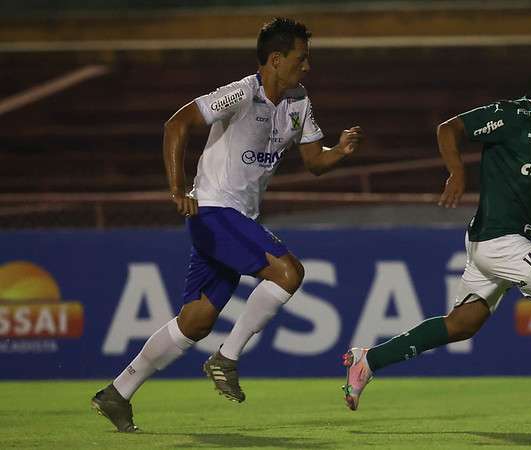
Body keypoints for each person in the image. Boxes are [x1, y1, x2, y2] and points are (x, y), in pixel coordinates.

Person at [342, 51, 531, 422]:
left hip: (498, 241)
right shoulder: (509, 116)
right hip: (499, 239)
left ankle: (368, 360)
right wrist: (457, 173)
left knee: (461, 324)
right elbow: (448, 129)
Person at [91, 17, 363, 432]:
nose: (307, 66)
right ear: (276, 59)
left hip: (238, 221)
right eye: (301, 58)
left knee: (196, 320)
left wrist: (339, 150)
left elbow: (313, 163)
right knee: (290, 272)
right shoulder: (240, 93)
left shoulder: (299, 101)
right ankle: (227, 358)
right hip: (214, 211)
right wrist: (178, 187)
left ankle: (118, 392)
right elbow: (176, 124)